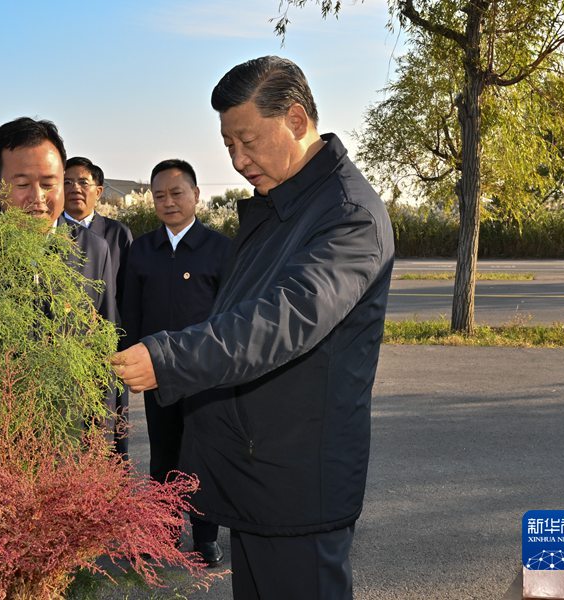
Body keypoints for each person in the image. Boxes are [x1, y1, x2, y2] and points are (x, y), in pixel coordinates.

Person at [113, 56, 395, 599]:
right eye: (228, 147)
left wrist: (170, 358)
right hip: (257, 469)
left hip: (297, 478)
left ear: (294, 119)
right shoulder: (280, 205)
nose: (239, 160)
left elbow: (281, 320)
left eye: (247, 141)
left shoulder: (347, 215)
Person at [120, 158, 231, 566]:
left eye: (177, 192)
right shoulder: (142, 250)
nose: (168, 202)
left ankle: (206, 537)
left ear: (196, 195)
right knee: (164, 455)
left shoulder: (220, 248)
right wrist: (130, 358)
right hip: (157, 372)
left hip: (205, 374)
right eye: (159, 195)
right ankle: (162, 532)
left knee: (202, 456)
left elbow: (230, 315)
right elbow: (130, 310)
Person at [0, 118, 121, 449]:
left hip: (71, 441)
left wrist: (103, 443)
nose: (38, 198)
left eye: (49, 184)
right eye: (21, 184)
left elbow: (103, 349)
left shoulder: (94, 250)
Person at [63, 156, 132, 454]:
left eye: (82, 182)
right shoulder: (48, 233)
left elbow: (128, 293)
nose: (74, 188)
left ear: (98, 191)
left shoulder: (117, 234)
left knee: (106, 424)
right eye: (66, 182)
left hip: (105, 344)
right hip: (61, 347)